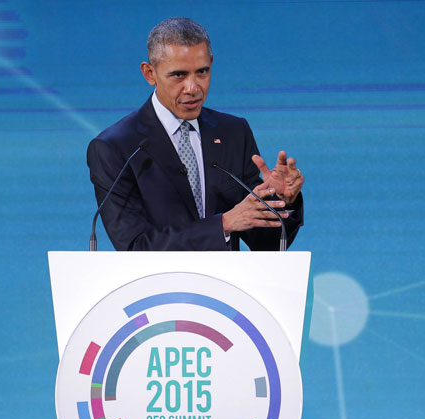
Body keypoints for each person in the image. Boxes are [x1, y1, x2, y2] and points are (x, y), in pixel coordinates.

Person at [87, 17, 304, 251]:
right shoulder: (116, 147)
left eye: (202, 72)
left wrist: (280, 201)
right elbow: (135, 246)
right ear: (150, 74)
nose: (193, 88)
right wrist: (223, 224)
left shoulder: (233, 132)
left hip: (229, 286)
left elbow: (265, 244)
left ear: (211, 63)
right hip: (158, 287)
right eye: (179, 75)